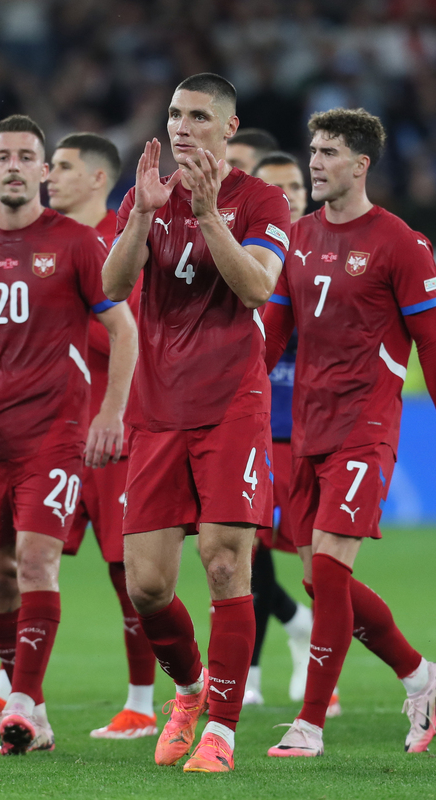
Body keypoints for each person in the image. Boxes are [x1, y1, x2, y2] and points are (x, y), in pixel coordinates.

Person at [0, 115, 138, 756]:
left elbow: (125, 331)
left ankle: (20, 705)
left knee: (36, 563)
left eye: (26, 156)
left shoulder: (76, 242)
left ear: (42, 170)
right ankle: (30, 711)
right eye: (1, 156)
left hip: (54, 435)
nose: (13, 165)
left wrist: (110, 412)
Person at [261, 108, 436, 759]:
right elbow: (268, 339)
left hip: (367, 426)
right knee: (316, 579)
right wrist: (234, 407)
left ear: (361, 164)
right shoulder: (296, 236)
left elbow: (433, 353)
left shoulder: (400, 244)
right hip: (305, 429)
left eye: (327, 153)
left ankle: (310, 723)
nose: (314, 163)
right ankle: (420, 675)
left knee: (328, 568)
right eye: (313, 151)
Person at [102, 73, 290, 773]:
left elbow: (258, 288)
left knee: (223, 560)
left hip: (231, 409)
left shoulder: (261, 200)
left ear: (229, 128)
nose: (182, 126)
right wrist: (143, 217)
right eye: (176, 113)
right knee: (146, 586)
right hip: (158, 411)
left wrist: (210, 214)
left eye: (199, 116)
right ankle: (188, 689)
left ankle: (224, 730)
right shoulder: (146, 190)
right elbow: (114, 286)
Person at [48, 132, 159, 739]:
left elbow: (127, 337)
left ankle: (142, 704)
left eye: (62, 167)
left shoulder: (118, 248)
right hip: (54, 433)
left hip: (115, 430)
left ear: (97, 178)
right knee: (28, 559)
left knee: (128, 574)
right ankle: (16, 691)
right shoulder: (43, 242)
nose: (48, 176)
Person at [245, 152, 315, 710]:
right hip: (253, 427)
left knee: (320, 565)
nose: (288, 196)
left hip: (312, 433)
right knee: (243, 550)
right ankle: (249, 674)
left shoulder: (321, 254)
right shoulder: (247, 254)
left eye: (296, 185)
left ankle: (319, 662)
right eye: (277, 188)